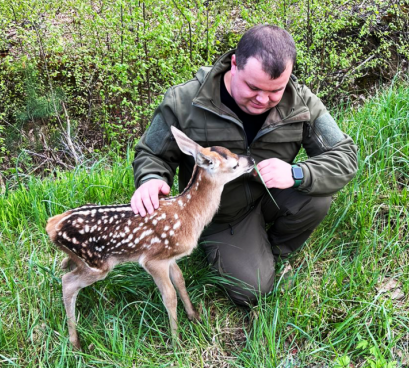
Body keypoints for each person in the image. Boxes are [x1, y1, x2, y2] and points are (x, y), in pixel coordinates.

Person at [131, 24, 358, 306]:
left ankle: (275, 249)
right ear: (235, 64)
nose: (263, 100)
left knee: (317, 198)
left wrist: (297, 173)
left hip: (270, 197)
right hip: (220, 217)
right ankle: (238, 252)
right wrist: (150, 178)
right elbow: (151, 154)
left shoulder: (301, 102)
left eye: (276, 90)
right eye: (253, 87)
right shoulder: (185, 101)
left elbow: (346, 156)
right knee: (251, 292)